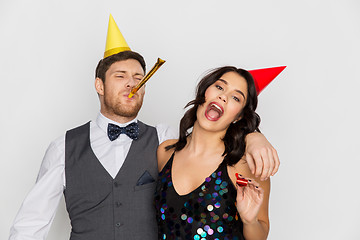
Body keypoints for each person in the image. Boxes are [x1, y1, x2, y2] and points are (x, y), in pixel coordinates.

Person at [9, 16, 279, 240]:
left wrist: (255, 136)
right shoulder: (63, 148)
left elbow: (210, 140)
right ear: (99, 85)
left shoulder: (164, 140)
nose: (131, 84)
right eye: (120, 76)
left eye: (139, 78)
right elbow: (31, 224)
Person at [156, 66, 275, 240]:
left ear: (239, 116)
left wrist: (249, 221)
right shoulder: (165, 152)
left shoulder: (246, 165)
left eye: (235, 97)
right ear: (204, 92)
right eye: (219, 87)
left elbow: (260, 234)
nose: (223, 97)